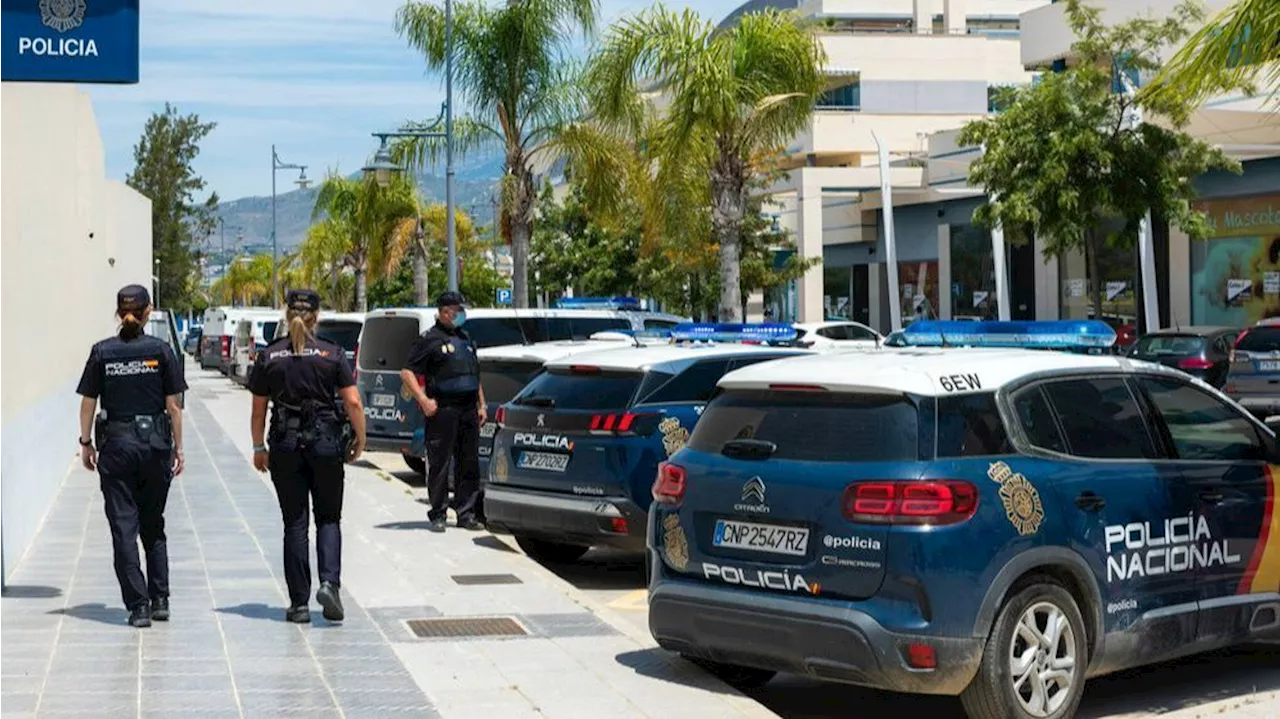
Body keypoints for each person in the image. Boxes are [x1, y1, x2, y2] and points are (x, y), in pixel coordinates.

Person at [249, 289, 366, 624]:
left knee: (295, 523)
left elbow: (258, 411)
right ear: (318, 316)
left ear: (287, 315)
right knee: (328, 518)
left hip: (285, 444)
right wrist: (361, 437)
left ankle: (299, 603)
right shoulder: (332, 353)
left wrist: (259, 447)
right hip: (326, 442)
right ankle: (329, 583)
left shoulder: (269, 356)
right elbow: (353, 403)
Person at [76, 284, 187, 628]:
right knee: (153, 524)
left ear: (119, 312)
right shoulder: (161, 350)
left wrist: (85, 442)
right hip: (155, 448)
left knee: (124, 529)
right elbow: (174, 407)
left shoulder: (102, 352)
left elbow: (88, 403)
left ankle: (138, 606)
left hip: (117, 450)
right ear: (147, 312)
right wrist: (178, 449)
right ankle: (161, 599)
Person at [400, 291, 487, 533]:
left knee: (468, 462)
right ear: (446, 312)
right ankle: (438, 512)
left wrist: (482, 404)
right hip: (443, 408)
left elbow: (474, 373)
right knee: (439, 462)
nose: (462, 315)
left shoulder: (465, 337)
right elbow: (407, 372)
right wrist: (423, 400)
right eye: (459, 311)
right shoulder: (429, 339)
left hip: (468, 408)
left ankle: (466, 513)